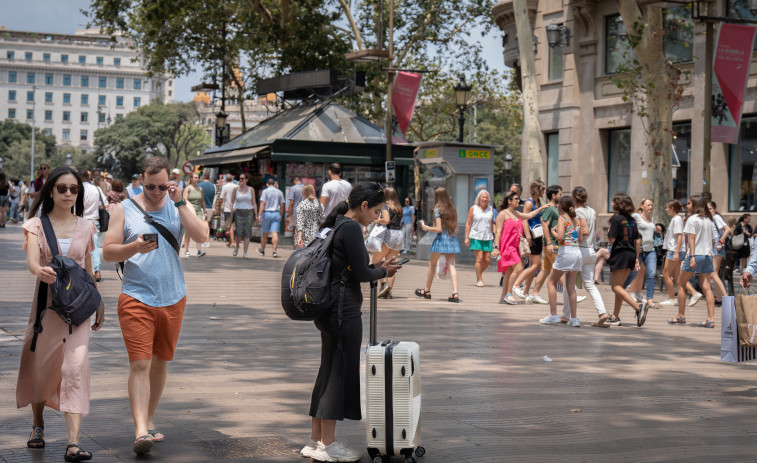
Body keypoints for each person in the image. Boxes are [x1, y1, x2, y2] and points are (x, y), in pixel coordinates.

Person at [102, 156, 208, 456]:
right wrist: (134, 246)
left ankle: (148, 419)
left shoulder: (177, 205)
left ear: (170, 182)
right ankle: (139, 431)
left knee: (161, 360)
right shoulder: (125, 209)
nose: (156, 192)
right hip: (136, 296)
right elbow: (108, 252)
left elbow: (201, 236)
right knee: (140, 363)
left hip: (173, 296)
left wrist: (181, 202)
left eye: (162, 186)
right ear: (141, 179)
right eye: (150, 186)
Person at [302, 183, 401, 463]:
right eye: (377, 210)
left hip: (329, 309)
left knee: (327, 370)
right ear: (365, 205)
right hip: (343, 310)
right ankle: (328, 445)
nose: (377, 216)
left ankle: (315, 440)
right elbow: (360, 273)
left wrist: (378, 269)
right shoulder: (351, 228)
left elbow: (352, 268)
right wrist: (384, 270)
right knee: (337, 374)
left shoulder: (337, 225)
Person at [17, 166, 104, 462]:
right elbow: (32, 260)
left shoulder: (87, 227)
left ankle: (73, 443)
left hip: (78, 309)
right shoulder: (36, 226)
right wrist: (38, 270)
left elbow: (89, 267)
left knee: (75, 367)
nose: (68, 194)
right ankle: (38, 424)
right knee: (43, 366)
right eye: (62, 188)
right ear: (51, 190)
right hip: (47, 307)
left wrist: (99, 302)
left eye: (74, 189)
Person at [668, 195, 716, 328]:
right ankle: (710, 319)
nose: (687, 206)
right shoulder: (709, 220)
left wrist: (692, 256)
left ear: (695, 205)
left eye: (689, 203)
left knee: (680, 283)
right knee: (706, 287)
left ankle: (681, 316)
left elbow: (692, 238)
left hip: (695, 255)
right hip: (707, 255)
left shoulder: (692, 219)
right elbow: (713, 240)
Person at [540, 196, 586, 327]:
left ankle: (553, 315)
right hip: (577, 253)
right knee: (571, 287)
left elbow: (560, 238)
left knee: (551, 281)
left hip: (566, 252)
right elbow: (580, 239)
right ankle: (574, 318)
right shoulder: (577, 220)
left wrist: (552, 232)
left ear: (560, 207)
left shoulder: (562, 219)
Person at [492, 191, 546, 304]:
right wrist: (496, 247)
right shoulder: (503, 214)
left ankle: (503, 297)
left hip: (516, 247)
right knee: (518, 268)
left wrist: (541, 208)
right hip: (507, 246)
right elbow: (498, 232)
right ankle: (509, 294)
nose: (518, 201)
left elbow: (529, 215)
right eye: (516, 199)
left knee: (509, 271)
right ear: (509, 201)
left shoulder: (516, 213)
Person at [606, 193, 649, 327]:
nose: (611, 203)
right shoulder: (632, 220)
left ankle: (638, 307)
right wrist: (636, 258)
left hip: (620, 254)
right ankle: (615, 316)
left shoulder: (616, 219)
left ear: (618, 204)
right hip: (630, 254)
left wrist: (609, 232)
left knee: (615, 287)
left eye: (613, 201)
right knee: (621, 287)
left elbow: (612, 239)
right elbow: (638, 241)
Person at [415, 187, 461, 303]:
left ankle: (427, 290)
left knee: (432, 264)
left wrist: (426, 227)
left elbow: (438, 229)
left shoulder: (437, 209)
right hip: (451, 238)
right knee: (451, 265)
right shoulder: (452, 209)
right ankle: (455, 293)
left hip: (441, 240)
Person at [572, 186, 610, 327]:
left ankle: (566, 314)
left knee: (569, 283)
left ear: (574, 198)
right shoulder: (593, 211)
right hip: (590, 251)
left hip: (579, 250)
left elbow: (582, 231)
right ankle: (602, 313)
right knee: (590, 285)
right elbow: (594, 232)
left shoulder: (577, 212)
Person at [659, 201, 699, 306]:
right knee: (677, 277)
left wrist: (675, 252)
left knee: (666, 274)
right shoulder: (676, 219)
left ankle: (672, 298)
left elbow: (680, 236)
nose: (666, 209)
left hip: (674, 251)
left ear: (672, 208)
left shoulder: (676, 220)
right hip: (676, 250)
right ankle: (694, 293)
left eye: (667, 207)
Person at [513, 180, 547, 302]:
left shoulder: (538, 202)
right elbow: (524, 220)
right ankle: (517, 284)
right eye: (542, 189)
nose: (544, 191)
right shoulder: (529, 203)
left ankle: (526, 291)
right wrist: (527, 236)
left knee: (534, 265)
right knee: (536, 265)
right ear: (536, 189)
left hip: (538, 235)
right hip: (532, 235)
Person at [531, 185, 563, 303]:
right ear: (553, 195)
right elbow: (544, 224)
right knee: (560, 268)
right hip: (552, 244)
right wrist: (549, 242)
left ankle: (534, 294)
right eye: (560, 194)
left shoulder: (555, 208)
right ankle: (570, 293)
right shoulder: (550, 209)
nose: (561, 196)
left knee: (545, 270)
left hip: (553, 243)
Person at [373, 187, 405, 299]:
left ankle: (383, 285)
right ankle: (389, 291)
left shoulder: (385, 206)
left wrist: (376, 220)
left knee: (376, 261)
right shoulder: (399, 207)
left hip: (388, 235)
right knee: (391, 264)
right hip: (399, 235)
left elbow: (386, 220)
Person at [627, 198, 658, 308]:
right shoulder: (636, 216)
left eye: (651, 205)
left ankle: (649, 299)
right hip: (638, 249)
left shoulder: (651, 218)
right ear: (641, 206)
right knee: (634, 272)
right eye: (648, 205)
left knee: (651, 273)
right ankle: (629, 293)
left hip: (650, 250)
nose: (650, 207)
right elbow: (630, 229)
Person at [464, 190, 496, 287]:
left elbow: (492, 223)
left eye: (486, 197)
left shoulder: (491, 209)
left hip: (487, 237)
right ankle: (479, 279)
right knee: (480, 258)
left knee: (487, 260)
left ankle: (479, 273)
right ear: (479, 198)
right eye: (483, 197)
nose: (485, 199)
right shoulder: (473, 208)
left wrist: (496, 233)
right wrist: (466, 237)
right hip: (476, 236)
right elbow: (468, 223)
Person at [81, 170, 108, 282]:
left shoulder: (77, 190)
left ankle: (82, 271)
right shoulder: (96, 189)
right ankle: (97, 271)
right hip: (94, 220)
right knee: (95, 246)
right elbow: (105, 204)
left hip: (80, 221)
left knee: (81, 247)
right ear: (89, 177)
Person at [708, 201, 731, 305]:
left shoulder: (716, 217)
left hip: (718, 244)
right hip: (714, 243)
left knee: (713, 273)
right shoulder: (712, 218)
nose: (708, 211)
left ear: (714, 208)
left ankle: (725, 298)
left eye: (710, 209)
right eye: (707, 209)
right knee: (714, 273)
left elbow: (727, 230)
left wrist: (720, 242)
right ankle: (719, 299)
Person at [231, 173, 258, 258]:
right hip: (238, 212)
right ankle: (237, 246)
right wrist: (231, 207)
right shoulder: (236, 189)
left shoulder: (251, 189)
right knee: (238, 232)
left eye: (242, 179)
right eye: (240, 179)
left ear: (246, 179)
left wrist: (256, 214)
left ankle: (245, 252)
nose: (241, 180)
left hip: (249, 212)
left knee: (247, 232)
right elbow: (232, 201)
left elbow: (254, 202)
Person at [258, 177, 286, 257]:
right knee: (274, 233)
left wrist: (259, 214)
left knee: (265, 233)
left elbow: (263, 203)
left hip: (266, 213)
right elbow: (282, 205)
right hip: (276, 213)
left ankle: (262, 250)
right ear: (274, 184)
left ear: (267, 184)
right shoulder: (279, 192)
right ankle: (274, 251)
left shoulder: (265, 191)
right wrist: (280, 215)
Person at [182, 173, 207, 257]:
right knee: (188, 232)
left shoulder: (200, 189)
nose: (197, 179)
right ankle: (186, 250)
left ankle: (199, 250)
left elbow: (202, 201)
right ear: (191, 179)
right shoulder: (187, 189)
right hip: (189, 212)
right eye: (195, 178)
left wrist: (205, 211)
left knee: (199, 230)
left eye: (198, 178)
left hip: (198, 212)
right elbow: (184, 201)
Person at [218, 174, 237, 247]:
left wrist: (219, 208)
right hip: (235, 208)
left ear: (225, 180)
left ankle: (232, 242)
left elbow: (221, 199)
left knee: (230, 226)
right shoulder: (236, 187)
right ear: (232, 179)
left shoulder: (224, 187)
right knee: (232, 225)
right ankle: (230, 241)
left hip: (228, 209)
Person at [198, 173, 216, 247]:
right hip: (210, 207)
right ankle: (207, 241)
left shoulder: (199, 185)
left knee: (202, 225)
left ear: (203, 177)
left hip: (202, 208)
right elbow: (215, 197)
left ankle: (204, 241)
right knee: (207, 224)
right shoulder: (213, 186)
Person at [287, 177, 305, 249]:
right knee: (303, 230)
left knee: (295, 231)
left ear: (294, 181)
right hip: (305, 212)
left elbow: (291, 202)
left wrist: (289, 214)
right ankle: (302, 248)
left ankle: (295, 249)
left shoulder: (293, 188)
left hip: (295, 212)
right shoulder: (306, 187)